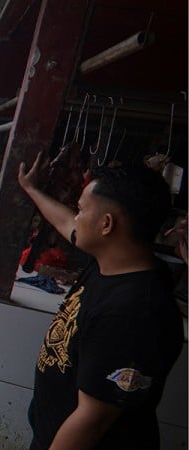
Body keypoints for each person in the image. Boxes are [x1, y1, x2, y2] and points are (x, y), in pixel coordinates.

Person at [18, 153, 183, 450]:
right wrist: (32, 190)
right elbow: (66, 223)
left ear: (106, 225)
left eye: (81, 209)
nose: (75, 216)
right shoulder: (113, 262)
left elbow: (92, 420)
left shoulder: (134, 311)